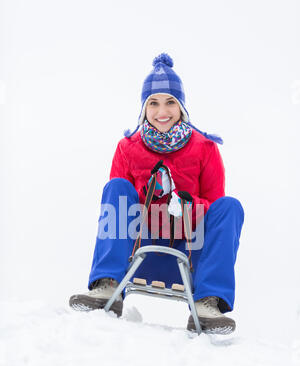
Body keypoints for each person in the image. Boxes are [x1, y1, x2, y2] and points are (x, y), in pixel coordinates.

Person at [69, 53, 244, 334]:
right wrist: (150, 194)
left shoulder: (205, 148)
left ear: (181, 105)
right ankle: (107, 283)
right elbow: (118, 206)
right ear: (144, 107)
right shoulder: (128, 147)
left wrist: (188, 203)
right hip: (137, 251)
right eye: (154, 103)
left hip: (187, 251)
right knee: (117, 187)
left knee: (230, 206)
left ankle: (208, 301)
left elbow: (215, 208)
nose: (162, 111)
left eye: (170, 102)